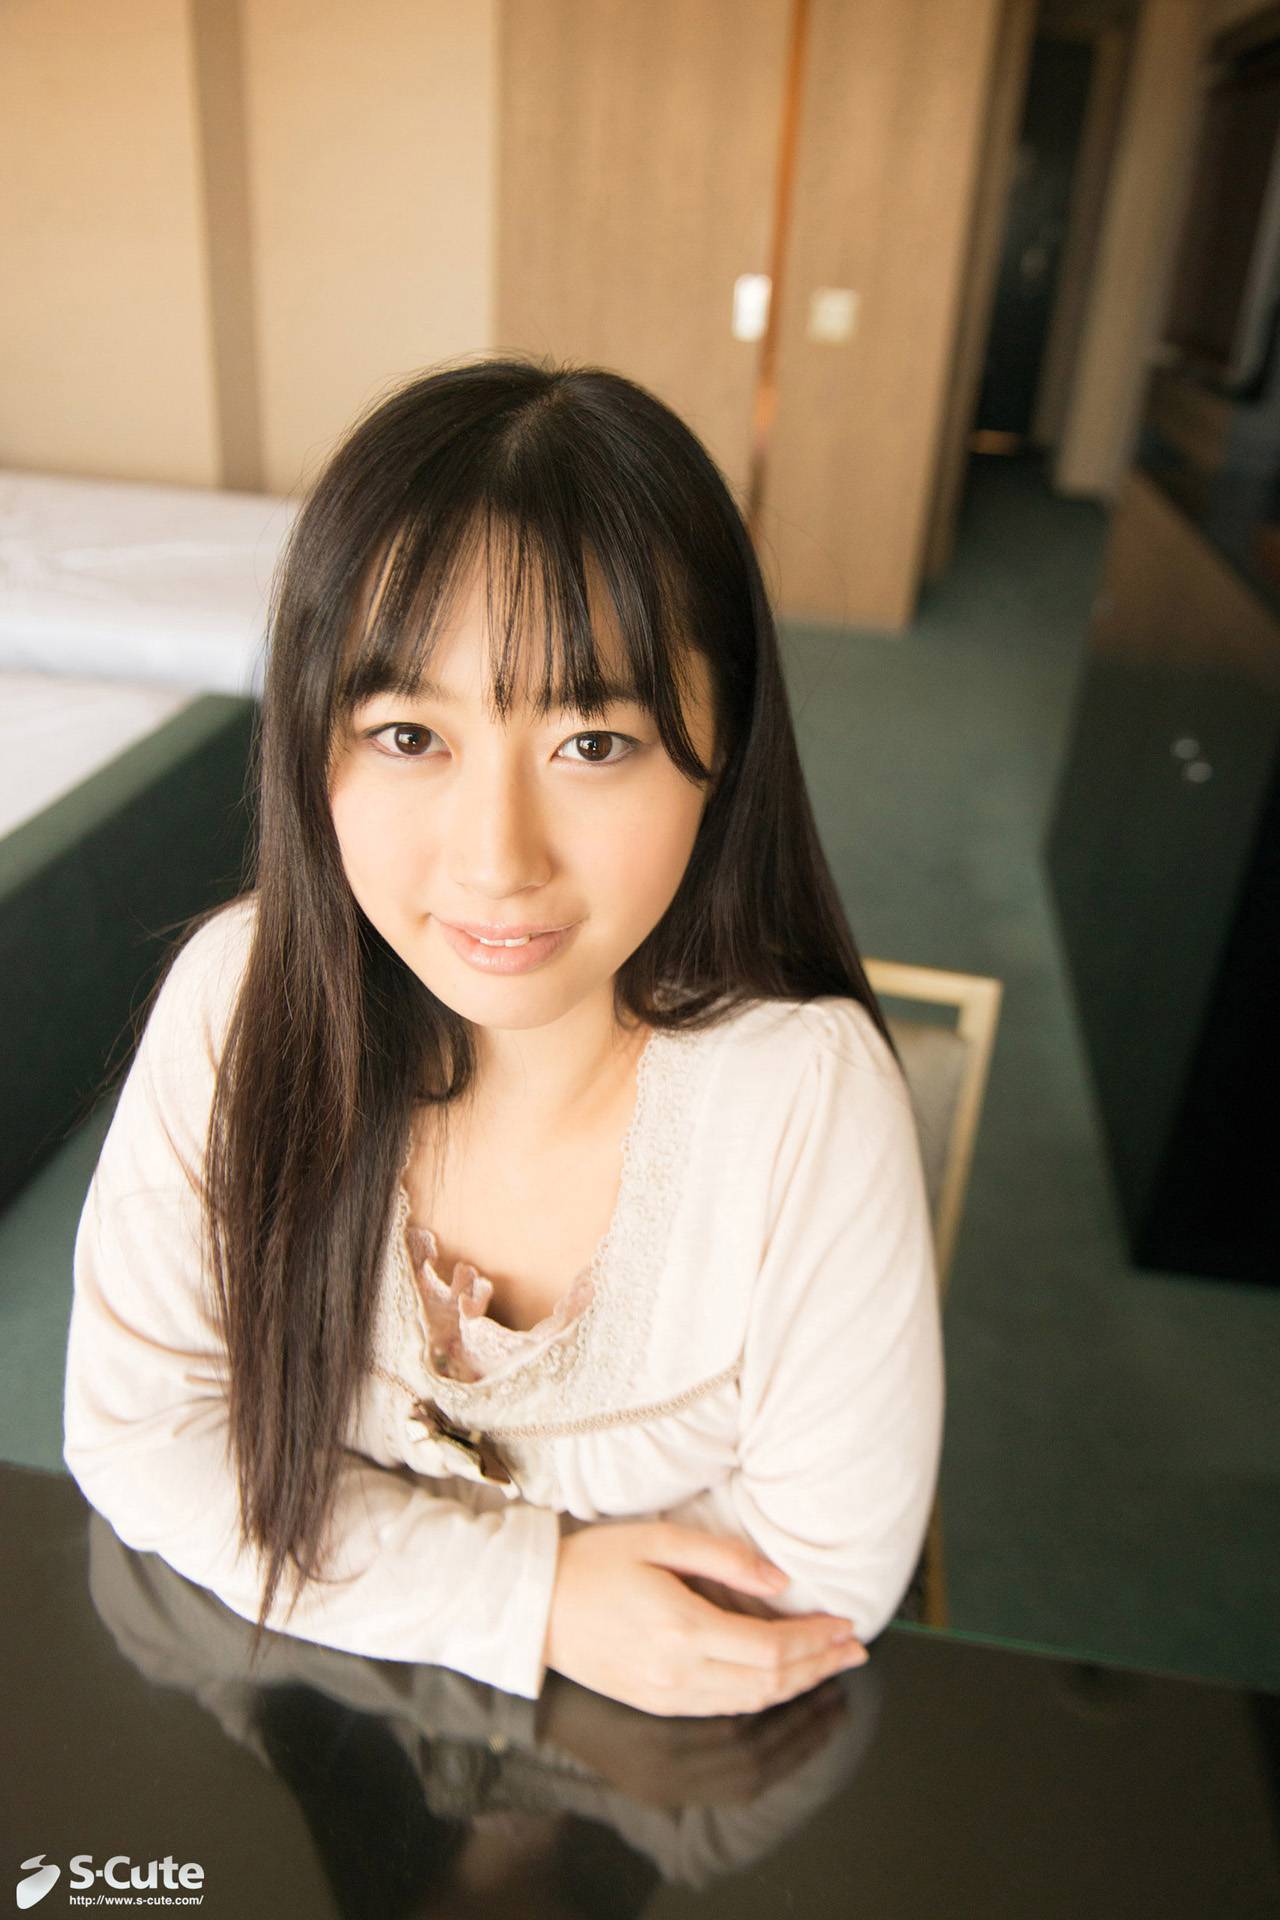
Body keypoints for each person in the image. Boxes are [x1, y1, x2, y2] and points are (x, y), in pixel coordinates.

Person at [63, 356, 944, 1720]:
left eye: (592, 743)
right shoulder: (241, 999)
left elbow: (811, 1593)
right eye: (409, 734)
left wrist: (349, 1548)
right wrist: (540, 1597)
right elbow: (139, 1435)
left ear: (725, 748)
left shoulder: (800, 1099)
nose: (494, 862)